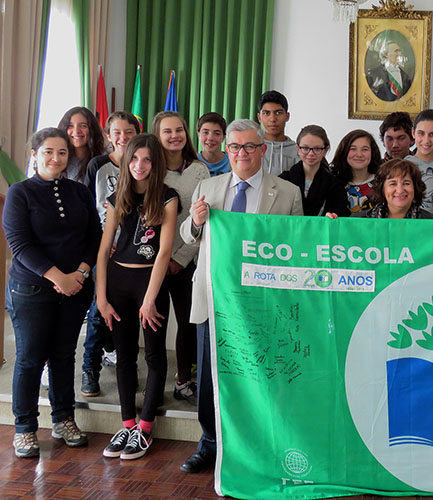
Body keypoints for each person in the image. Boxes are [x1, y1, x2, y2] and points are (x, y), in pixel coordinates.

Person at [179, 119, 303, 474]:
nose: (242, 153)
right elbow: (188, 237)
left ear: (263, 149)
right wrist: (196, 221)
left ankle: (260, 446)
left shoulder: (288, 192)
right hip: (215, 298)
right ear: (227, 150)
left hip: (264, 304)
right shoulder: (208, 186)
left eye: (249, 146)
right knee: (210, 378)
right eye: (235, 147)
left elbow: (297, 247)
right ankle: (210, 444)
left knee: (261, 377)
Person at [3, 127, 101, 458]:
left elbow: (95, 236)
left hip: (75, 288)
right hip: (31, 290)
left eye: (61, 152)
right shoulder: (20, 193)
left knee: (63, 355)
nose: (55, 158)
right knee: (30, 358)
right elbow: (19, 244)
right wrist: (59, 277)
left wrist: (81, 273)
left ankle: (63, 419)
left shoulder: (79, 191)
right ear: (34, 155)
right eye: (48, 151)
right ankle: (25, 428)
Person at [96, 134, 179, 460]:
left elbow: (164, 252)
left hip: (150, 283)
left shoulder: (168, 197)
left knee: (155, 356)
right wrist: (101, 297)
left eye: (146, 160)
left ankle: (145, 427)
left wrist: (149, 298)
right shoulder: (118, 196)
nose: (139, 165)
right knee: (125, 355)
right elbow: (104, 249)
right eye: (133, 159)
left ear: (156, 164)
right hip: (118, 283)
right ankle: (127, 423)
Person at [81, 111, 142, 397]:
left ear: (137, 134)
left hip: (131, 251)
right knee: (98, 309)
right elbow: (87, 207)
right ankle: (89, 368)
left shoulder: (141, 163)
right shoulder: (98, 165)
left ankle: (124, 363)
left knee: (126, 312)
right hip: (103, 248)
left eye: (128, 132)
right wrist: (99, 243)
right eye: (117, 132)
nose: (123, 137)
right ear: (108, 136)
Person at [152, 111, 211, 405]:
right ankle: (153, 388)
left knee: (188, 323)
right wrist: (162, 258)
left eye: (179, 130)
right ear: (157, 135)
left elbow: (205, 217)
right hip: (152, 261)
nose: (174, 136)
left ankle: (183, 380)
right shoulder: (149, 167)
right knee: (155, 325)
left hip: (188, 260)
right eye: (167, 131)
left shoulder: (199, 170)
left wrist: (181, 257)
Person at [278, 125, 349, 217]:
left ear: (325, 150)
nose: (311, 153)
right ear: (298, 149)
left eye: (317, 149)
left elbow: (340, 214)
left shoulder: (335, 186)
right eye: (305, 148)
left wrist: (332, 216)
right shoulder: (284, 180)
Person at [27, 107, 107, 184]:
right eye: (70, 126)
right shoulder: (56, 160)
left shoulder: (103, 159)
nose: (76, 131)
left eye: (83, 126)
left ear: (92, 129)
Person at [357, 159, 433, 219]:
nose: (400, 190)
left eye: (406, 183)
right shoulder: (357, 222)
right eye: (393, 184)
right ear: (382, 189)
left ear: (415, 188)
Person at [332, 129, 382, 215]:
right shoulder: (332, 183)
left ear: (373, 152)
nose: (359, 154)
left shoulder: (383, 183)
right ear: (344, 151)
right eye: (353, 149)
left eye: (365, 149)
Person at [256, 90, 298, 176]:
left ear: (287, 116)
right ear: (259, 117)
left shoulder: (298, 151)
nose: (272, 119)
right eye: (266, 113)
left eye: (278, 113)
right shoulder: (252, 148)